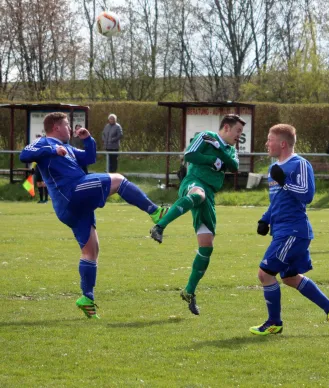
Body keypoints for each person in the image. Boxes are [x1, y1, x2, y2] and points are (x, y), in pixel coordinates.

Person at [19, 112, 168, 319]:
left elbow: (90, 158)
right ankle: (156, 212)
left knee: (91, 250)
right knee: (118, 180)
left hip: (73, 207)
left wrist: (88, 139)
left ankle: (87, 298)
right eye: (67, 125)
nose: (70, 128)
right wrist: (53, 148)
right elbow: (24, 154)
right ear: (55, 127)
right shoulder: (44, 143)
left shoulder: (69, 148)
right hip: (72, 193)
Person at [250, 123, 329, 336]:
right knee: (290, 277)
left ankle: (274, 322)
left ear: (282, 143)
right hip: (282, 231)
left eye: (269, 140)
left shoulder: (299, 164)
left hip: (293, 231)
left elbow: (307, 195)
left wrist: (283, 181)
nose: (266, 143)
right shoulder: (273, 168)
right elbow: (277, 201)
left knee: (265, 274)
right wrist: (265, 219)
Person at [150, 114, 244, 315]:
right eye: (238, 131)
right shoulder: (205, 135)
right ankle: (160, 224)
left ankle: (189, 292)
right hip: (194, 182)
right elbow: (190, 155)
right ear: (226, 128)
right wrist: (213, 159)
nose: (239, 136)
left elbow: (234, 167)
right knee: (198, 195)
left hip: (210, 195)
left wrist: (219, 152)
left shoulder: (229, 150)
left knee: (207, 247)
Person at [32, 134, 48, 204]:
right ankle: (41, 199)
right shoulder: (34, 147)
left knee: (44, 183)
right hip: (37, 166)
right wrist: (33, 167)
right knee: (38, 183)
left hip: (43, 166)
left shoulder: (44, 147)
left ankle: (46, 199)